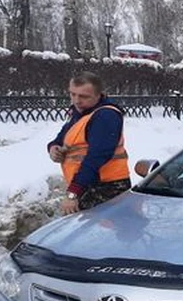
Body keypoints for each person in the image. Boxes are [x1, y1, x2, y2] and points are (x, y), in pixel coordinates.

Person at [47, 72, 131, 215]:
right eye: (72, 94)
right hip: (87, 185)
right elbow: (61, 138)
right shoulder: (80, 112)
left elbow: (97, 157)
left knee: (94, 234)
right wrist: (53, 148)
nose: (76, 101)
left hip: (107, 188)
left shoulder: (106, 116)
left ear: (99, 95)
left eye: (83, 96)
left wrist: (73, 192)